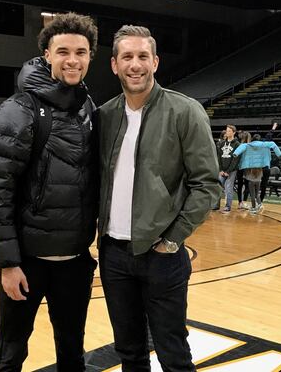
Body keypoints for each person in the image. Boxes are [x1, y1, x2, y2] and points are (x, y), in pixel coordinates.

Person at [98, 25, 219, 370]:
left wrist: (173, 239)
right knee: (129, 352)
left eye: (142, 57)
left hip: (162, 255)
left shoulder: (185, 111)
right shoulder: (105, 116)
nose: (135, 65)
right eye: (127, 57)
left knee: (173, 353)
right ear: (114, 65)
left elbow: (207, 184)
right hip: (114, 255)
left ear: (155, 62)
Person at [0, 12, 99, 370]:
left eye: (80, 52)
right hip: (28, 263)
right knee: (11, 353)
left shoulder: (89, 107)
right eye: (63, 51)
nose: (72, 60)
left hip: (76, 262)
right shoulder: (20, 109)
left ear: (90, 57)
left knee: (72, 352)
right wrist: (8, 263)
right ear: (46, 55)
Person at [233, 132, 281, 214]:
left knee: (252, 191)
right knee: (257, 192)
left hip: (250, 169)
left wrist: (235, 154)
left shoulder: (247, 145)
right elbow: (273, 144)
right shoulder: (265, 144)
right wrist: (279, 154)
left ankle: (253, 207)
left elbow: (240, 149)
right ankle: (259, 204)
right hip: (260, 170)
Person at [216, 125, 240, 213]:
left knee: (228, 188)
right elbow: (219, 157)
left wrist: (228, 171)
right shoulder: (222, 143)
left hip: (231, 170)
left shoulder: (237, 144)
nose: (227, 132)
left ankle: (228, 206)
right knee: (218, 187)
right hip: (222, 170)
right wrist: (221, 169)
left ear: (234, 132)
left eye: (229, 131)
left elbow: (235, 159)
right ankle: (215, 205)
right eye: (227, 131)